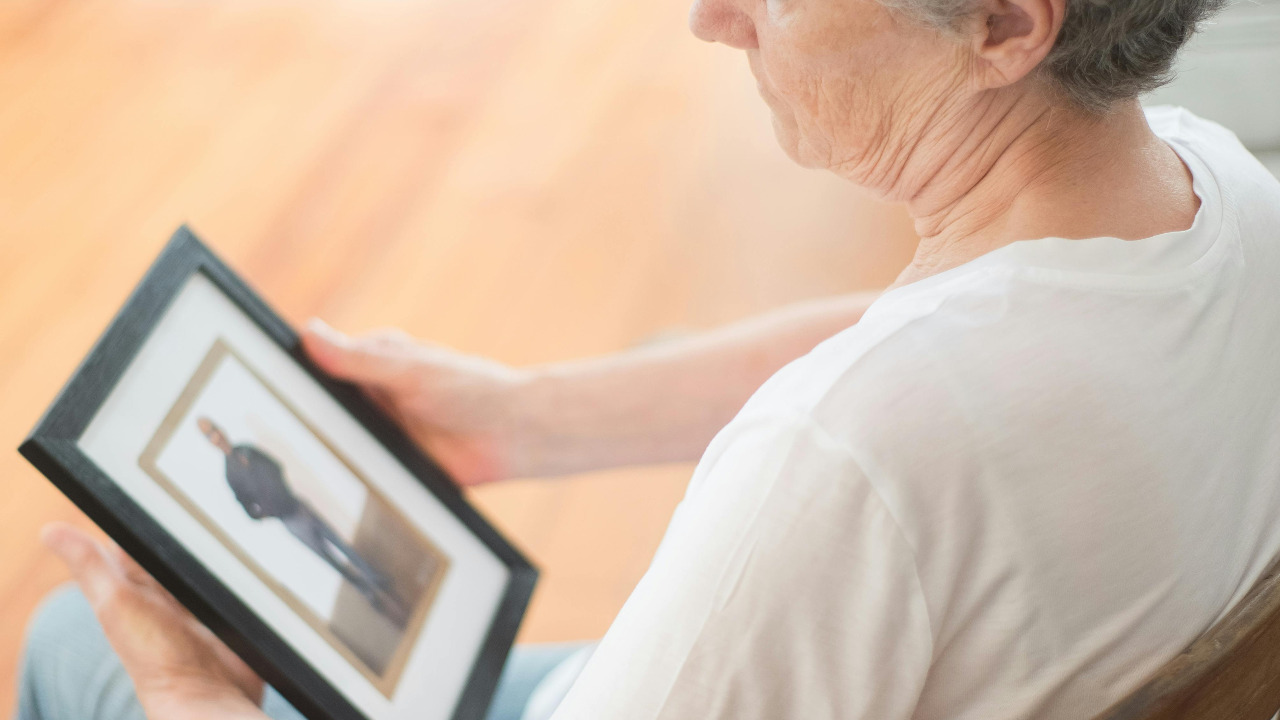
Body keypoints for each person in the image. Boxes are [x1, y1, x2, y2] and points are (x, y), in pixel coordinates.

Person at [18, 0, 1280, 712]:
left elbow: (876, 428)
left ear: (1003, 26)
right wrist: (522, 418)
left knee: (86, 649)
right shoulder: (1217, 194)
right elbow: (930, 351)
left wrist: (192, 694)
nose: (710, 17)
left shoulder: (847, 463)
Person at [195, 418, 410, 627]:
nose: (217, 435)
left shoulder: (247, 449)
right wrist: (270, 512)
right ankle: (366, 591)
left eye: (215, 429)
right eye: (210, 435)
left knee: (341, 544)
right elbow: (248, 509)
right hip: (291, 522)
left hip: (300, 506)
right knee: (329, 558)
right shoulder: (231, 476)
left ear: (221, 429)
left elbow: (276, 465)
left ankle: (374, 577)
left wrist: (281, 490)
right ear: (210, 442)